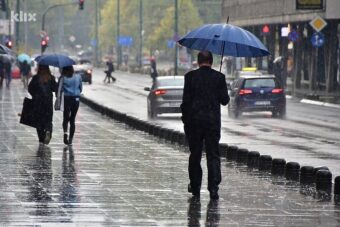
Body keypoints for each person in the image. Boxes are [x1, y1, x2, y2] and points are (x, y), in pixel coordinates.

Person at [181, 51, 229, 200]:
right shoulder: (219, 78)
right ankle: (213, 188)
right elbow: (225, 100)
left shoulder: (190, 77)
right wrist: (219, 85)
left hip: (194, 124)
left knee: (195, 155)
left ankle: (195, 186)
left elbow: (185, 102)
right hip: (212, 123)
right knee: (213, 155)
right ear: (211, 61)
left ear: (198, 61)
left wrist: (186, 120)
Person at [28, 65, 57, 145]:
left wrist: (34, 95)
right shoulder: (51, 77)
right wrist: (54, 81)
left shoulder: (36, 78)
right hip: (48, 103)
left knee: (39, 121)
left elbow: (30, 88)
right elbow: (55, 89)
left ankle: (41, 139)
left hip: (38, 103)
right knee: (48, 120)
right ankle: (48, 131)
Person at [61, 66, 82, 146]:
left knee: (65, 118)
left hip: (66, 99)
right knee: (72, 119)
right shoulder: (78, 77)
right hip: (76, 99)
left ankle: (65, 133)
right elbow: (81, 88)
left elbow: (60, 89)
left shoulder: (63, 78)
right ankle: (70, 139)